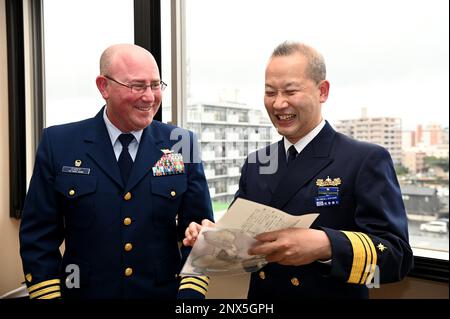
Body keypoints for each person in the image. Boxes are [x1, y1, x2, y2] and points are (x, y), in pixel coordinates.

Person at [183, 41, 413, 298]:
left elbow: (396, 261)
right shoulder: (256, 163)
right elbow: (243, 248)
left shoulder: (364, 159)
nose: (279, 104)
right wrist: (211, 237)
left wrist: (326, 246)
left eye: (290, 91)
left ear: (322, 91)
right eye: (270, 92)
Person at [19, 44, 213, 299]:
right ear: (104, 87)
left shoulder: (182, 143)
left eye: (155, 85)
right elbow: (38, 238)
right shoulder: (59, 143)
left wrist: (189, 299)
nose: (149, 97)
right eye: (136, 86)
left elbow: (199, 232)